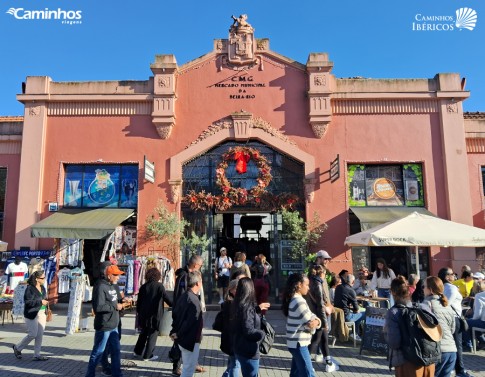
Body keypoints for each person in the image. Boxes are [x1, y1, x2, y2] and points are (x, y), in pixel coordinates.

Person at [384, 276, 437, 376]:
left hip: (407, 361)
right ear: (409, 290)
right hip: (429, 359)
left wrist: (385, 334)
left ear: (392, 292)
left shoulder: (394, 312)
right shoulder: (423, 307)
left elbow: (394, 342)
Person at [85, 265, 125, 377]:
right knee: (98, 352)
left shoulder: (113, 286)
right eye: (116, 275)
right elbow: (98, 307)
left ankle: (117, 374)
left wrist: (123, 301)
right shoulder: (101, 286)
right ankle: (90, 374)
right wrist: (115, 307)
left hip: (114, 325)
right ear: (109, 275)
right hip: (104, 325)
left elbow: (114, 302)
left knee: (116, 351)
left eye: (119, 275)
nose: (118, 277)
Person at [172, 254, 205, 375]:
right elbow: (180, 298)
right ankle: (177, 366)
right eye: (200, 266)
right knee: (181, 342)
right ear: (196, 265)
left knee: (190, 343)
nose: (201, 268)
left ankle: (191, 363)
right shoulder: (184, 276)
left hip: (190, 312)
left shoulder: (192, 276)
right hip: (184, 315)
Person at [283, 272, 321, 377]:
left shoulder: (295, 299)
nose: (308, 288)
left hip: (295, 343)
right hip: (299, 343)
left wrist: (316, 321)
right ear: (299, 285)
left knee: (296, 374)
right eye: (307, 285)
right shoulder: (298, 301)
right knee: (308, 374)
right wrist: (317, 321)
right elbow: (310, 320)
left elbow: (312, 317)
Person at [438, 267, 474, 377]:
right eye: (452, 274)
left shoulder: (442, 287)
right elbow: (446, 304)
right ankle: (460, 370)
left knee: (451, 345)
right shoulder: (451, 288)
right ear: (446, 276)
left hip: (448, 319)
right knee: (457, 346)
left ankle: (453, 368)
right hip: (454, 319)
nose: (455, 275)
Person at [134, 267, 172, 361]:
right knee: (152, 334)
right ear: (157, 276)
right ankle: (148, 355)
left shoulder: (143, 286)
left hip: (144, 314)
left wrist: (139, 313)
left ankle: (137, 351)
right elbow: (166, 298)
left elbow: (139, 302)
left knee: (143, 333)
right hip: (155, 314)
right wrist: (176, 306)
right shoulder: (159, 286)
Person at [305, 264, 337, 371]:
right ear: (321, 273)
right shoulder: (318, 284)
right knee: (316, 339)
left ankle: (328, 361)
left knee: (323, 338)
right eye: (325, 273)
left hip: (313, 314)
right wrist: (324, 322)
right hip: (318, 316)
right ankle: (307, 363)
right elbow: (320, 305)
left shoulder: (310, 281)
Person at [423, 276, 457, 377]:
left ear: (431, 290)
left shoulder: (427, 304)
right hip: (451, 350)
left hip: (438, 351)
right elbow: (452, 329)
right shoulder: (447, 305)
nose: (423, 289)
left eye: (424, 286)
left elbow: (424, 329)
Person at [12, 270, 49, 361]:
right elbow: (28, 302)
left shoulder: (43, 287)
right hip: (31, 313)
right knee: (33, 334)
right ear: (37, 279)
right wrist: (40, 302)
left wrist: (46, 306)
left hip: (42, 313)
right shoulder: (30, 288)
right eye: (42, 278)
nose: (44, 279)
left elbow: (44, 298)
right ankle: (18, 348)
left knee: (39, 335)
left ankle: (37, 355)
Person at [232, 277, 265, 377]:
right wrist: (262, 334)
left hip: (240, 347)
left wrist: (257, 309)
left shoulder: (238, 304)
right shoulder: (246, 306)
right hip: (248, 350)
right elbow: (248, 330)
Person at [334, 272, 365, 341]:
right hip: (346, 316)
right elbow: (356, 308)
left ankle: (355, 333)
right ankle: (365, 335)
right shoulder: (351, 290)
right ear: (353, 281)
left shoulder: (338, 287)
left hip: (338, 315)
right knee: (365, 313)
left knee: (357, 315)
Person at [219, 279, 241, 377]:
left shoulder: (228, 302)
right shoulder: (232, 304)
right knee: (236, 364)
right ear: (231, 290)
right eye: (238, 288)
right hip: (233, 339)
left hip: (230, 339)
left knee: (232, 362)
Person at [463, 279, 485, 351]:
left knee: (464, 322)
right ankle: (482, 341)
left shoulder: (479, 296)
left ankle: (469, 345)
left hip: (483, 323)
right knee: (472, 322)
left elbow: (477, 315)